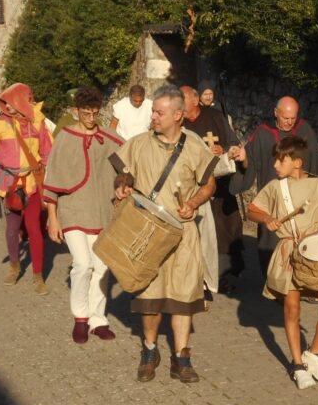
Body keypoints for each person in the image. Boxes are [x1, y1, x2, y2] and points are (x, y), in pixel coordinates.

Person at [110, 84, 217, 383]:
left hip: (183, 234)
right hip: (148, 232)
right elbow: (122, 174)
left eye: (159, 113)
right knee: (150, 298)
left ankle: (181, 358)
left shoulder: (194, 145)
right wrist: (122, 185)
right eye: (153, 112)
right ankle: (149, 350)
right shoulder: (139, 144)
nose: (153, 117)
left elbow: (209, 184)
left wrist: (194, 203)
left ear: (178, 115)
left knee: (184, 297)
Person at [247, 136, 318, 389]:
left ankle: (313, 354)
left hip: (317, 252)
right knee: (292, 309)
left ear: (297, 162)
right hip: (289, 252)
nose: (275, 165)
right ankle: (297, 365)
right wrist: (267, 219)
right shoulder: (275, 187)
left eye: (280, 160)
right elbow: (252, 210)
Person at [44, 87, 123, 343]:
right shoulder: (65, 138)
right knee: (82, 264)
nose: (91, 118)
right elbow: (53, 177)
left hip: (102, 210)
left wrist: (125, 183)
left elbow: (127, 165)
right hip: (72, 209)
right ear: (76, 111)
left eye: (95, 113)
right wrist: (52, 217)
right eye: (86, 113)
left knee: (101, 267)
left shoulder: (108, 137)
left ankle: (97, 319)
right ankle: (80, 317)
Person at [230, 96, 318, 276]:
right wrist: (244, 158)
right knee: (272, 258)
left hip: (302, 204)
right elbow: (250, 162)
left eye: (293, 118)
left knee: (303, 256)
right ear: (275, 113)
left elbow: (317, 163)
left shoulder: (304, 130)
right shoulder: (263, 133)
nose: (290, 122)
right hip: (274, 203)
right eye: (285, 118)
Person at [0, 83, 53, 295]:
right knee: (12, 228)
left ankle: (38, 275)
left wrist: (49, 186)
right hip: (9, 184)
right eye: (5, 102)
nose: (7, 106)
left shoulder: (39, 121)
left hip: (32, 182)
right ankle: (14, 266)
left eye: (11, 102)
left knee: (34, 228)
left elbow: (48, 156)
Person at [180, 86, 245, 291]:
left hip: (220, 186)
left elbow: (233, 143)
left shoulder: (215, 116)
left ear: (195, 100)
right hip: (193, 187)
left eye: (182, 99)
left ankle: (221, 276)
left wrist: (223, 149)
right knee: (195, 233)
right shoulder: (178, 123)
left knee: (223, 231)